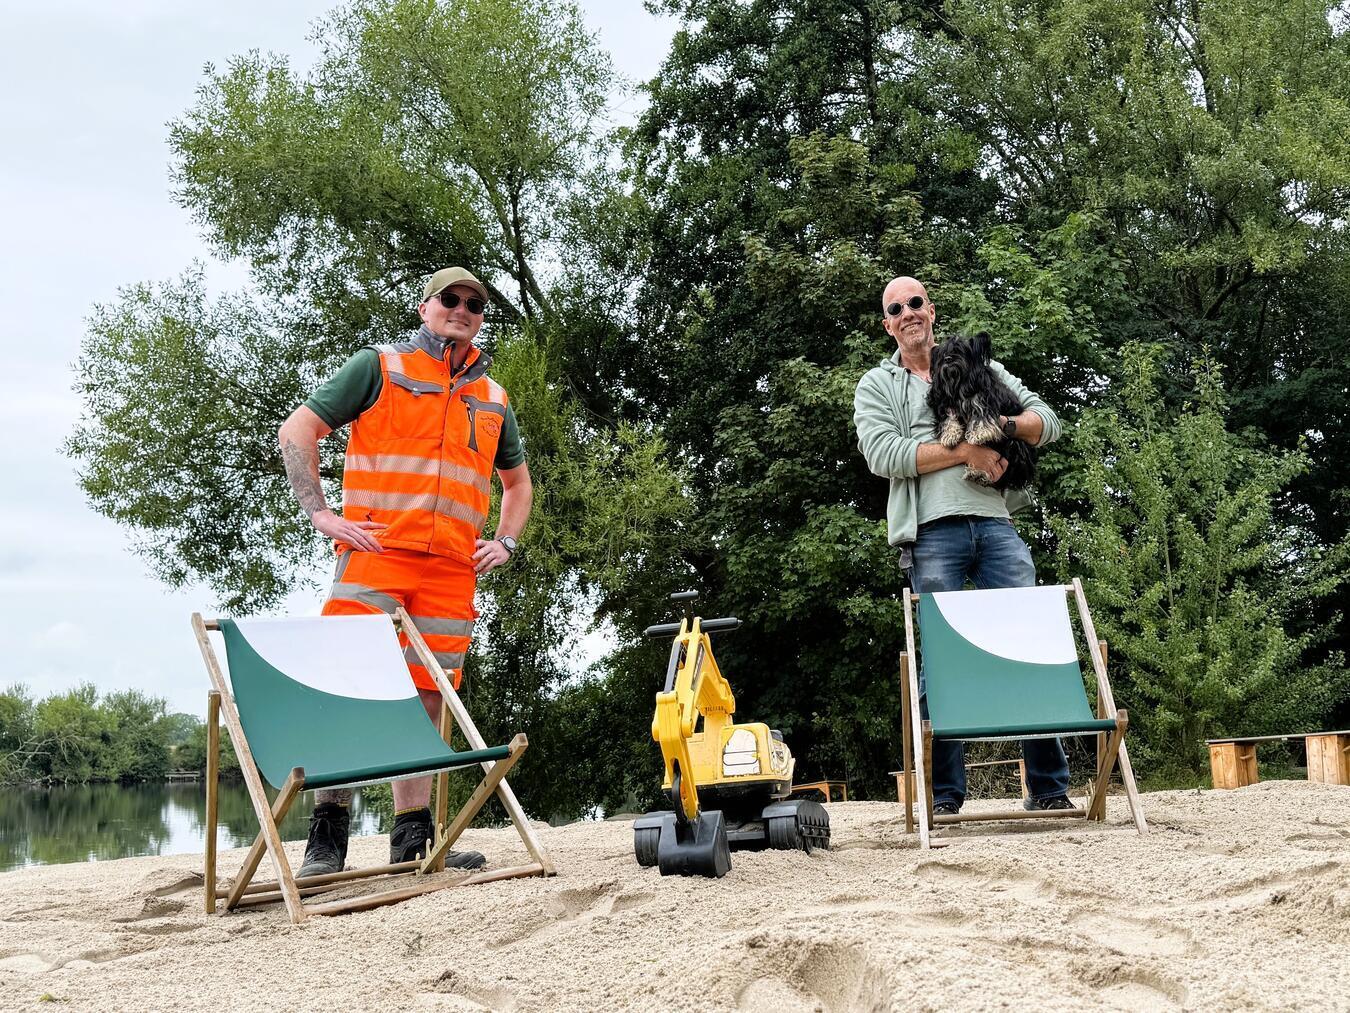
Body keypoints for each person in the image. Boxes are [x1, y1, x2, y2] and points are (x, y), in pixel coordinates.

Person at [278, 266, 532, 875]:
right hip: (375, 554)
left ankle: (412, 840)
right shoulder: (380, 366)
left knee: (428, 697)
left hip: (450, 569)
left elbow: (517, 483)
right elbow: (299, 428)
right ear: (426, 307)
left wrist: (506, 541)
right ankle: (326, 839)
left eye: (475, 303)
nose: (463, 309)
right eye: (451, 298)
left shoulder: (493, 397)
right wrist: (320, 513)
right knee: (344, 688)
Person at [852, 275, 1071, 815]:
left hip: (997, 524)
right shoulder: (876, 386)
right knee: (944, 660)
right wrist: (966, 452)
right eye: (895, 308)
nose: (908, 313)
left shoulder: (981, 366)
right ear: (888, 325)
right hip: (931, 533)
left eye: (915, 303)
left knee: (1027, 645)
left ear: (931, 310)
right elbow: (883, 454)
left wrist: (1001, 425)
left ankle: (1048, 788)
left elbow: (1050, 422)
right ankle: (945, 796)